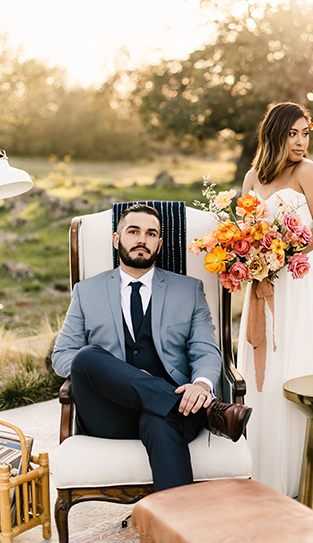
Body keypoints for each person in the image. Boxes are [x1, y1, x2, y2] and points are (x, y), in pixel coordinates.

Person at [52, 203, 252, 493]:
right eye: (133, 231)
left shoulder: (188, 290)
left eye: (150, 234)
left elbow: (206, 350)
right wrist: (120, 375)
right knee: (86, 357)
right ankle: (208, 413)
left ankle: (177, 529)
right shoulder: (86, 291)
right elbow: (61, 356)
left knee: (161, 423)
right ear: (116, 239)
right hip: (109, 412)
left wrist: (201, 385)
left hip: (177, 411)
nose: (141, 240)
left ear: (159, 244)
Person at [237, 102, 313, 497]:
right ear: (275, 134)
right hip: (262, 281)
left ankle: (306, 468)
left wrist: (287, 255)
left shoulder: (308, 171)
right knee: (265, 364)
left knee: (298, 357)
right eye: (293, 134)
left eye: (306, 134)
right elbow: (245, 229)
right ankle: (261, 463)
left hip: (300, 279)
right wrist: (252, 257)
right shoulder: (252, 176)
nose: (301, 142)